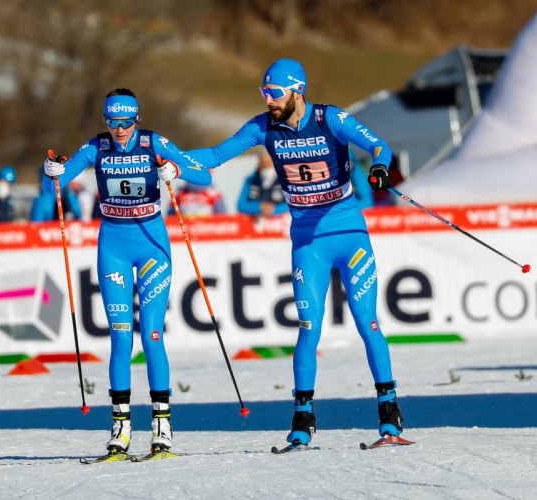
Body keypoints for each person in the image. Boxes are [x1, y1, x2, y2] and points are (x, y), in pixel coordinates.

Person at [167, 58, 405, 446]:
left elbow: (379, 145)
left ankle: (389, 414)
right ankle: (302, 418)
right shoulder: (264, 127)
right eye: (263, 93)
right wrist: (169, 158)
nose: (268, 100)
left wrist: (379, 167)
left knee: (367, 322)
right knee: (308, 327)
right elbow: (213, 156)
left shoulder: (331, 119)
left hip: (349, 236)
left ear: (297, 90)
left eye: (273, 93)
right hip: (308, 241)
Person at [42, 88, 211, 458]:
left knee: (151, 335)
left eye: (127, 121)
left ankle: (162, 427)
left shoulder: (154, 143)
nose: (120, 129)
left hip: (152, 245)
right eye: (113, 122)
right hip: (113, 250)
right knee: (120, 339)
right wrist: (52, 171)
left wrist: (175, 170)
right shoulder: (96, 148)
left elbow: (205, 177)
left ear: (138, 118)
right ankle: (120, 428)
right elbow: (50, 186)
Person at [237, 149, 288, 217]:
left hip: (282, 223)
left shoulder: (287, 179)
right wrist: (259, 207)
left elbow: (295, 203)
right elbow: (241, 205)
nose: (267, 166)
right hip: (257, 223)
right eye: (264, 163)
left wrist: (274, 210)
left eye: (269, 162)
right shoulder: (251, 179)